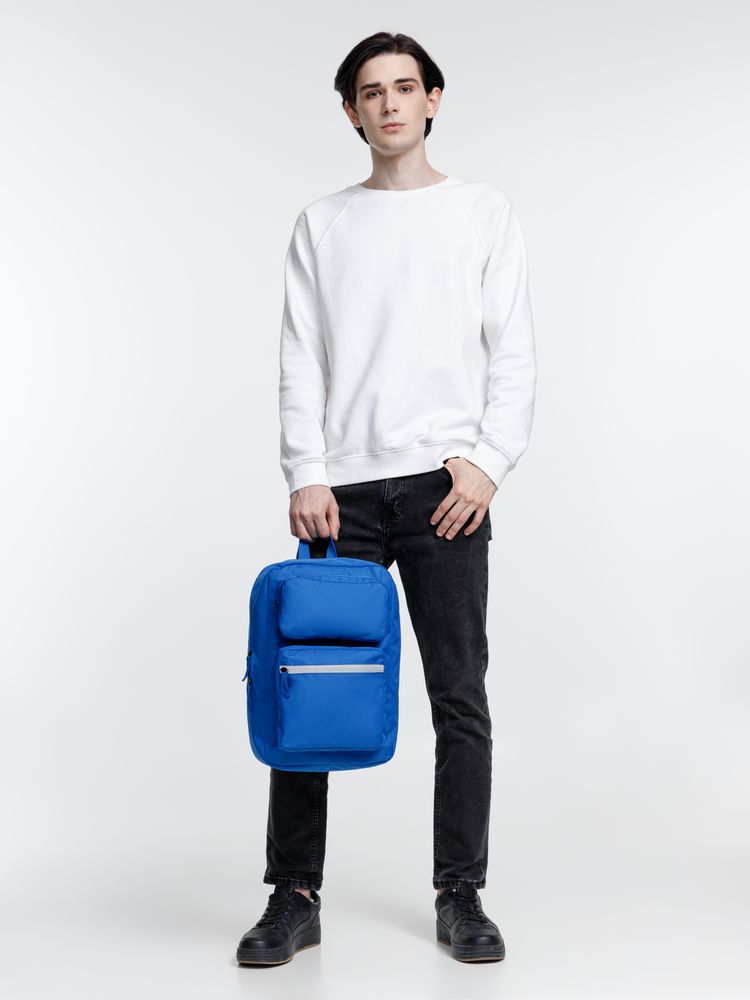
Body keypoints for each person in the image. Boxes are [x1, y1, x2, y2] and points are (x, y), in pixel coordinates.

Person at [236, 29, 536, 967]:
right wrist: (306, 469)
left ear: (433, 100)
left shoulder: (481, 212)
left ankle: (460, 894)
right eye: (372, 91)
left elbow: (514, 351)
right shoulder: (322, 223)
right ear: (351, 111)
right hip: (346, 493)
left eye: (406, 87)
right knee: (309, 688)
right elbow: (300, 356)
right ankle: (294, 894)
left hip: (447, 489)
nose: (390, 103)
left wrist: (487, 463)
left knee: (459, 696)